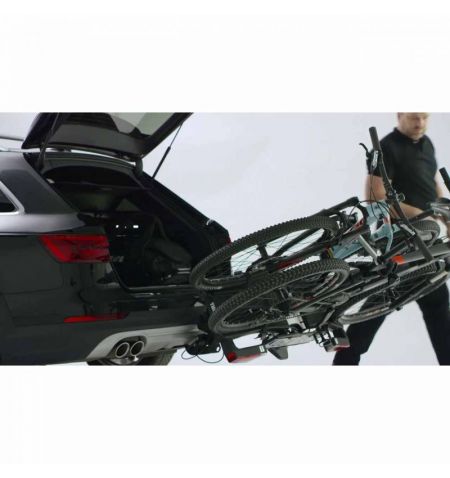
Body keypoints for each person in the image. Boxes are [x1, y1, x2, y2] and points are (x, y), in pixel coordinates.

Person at [333, 113, 450, 365]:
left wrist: (446, 216)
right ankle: (345, 362)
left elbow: (432, 183)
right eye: (414, 117)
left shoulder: (426, 143)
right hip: (400, 241)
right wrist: (419, 214)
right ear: (400, 115)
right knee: (382, 303)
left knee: (434, 305)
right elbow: (375, 196)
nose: (420, 123)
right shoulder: (387, 147)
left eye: (424, 117)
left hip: (427, 241)